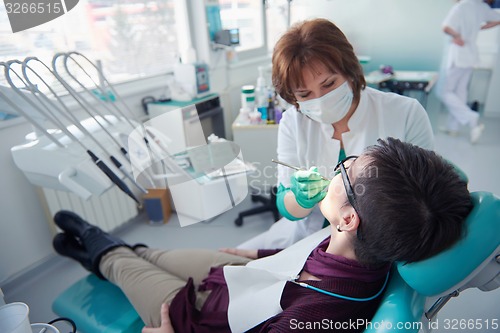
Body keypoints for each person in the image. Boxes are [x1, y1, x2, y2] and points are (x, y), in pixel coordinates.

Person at [52, 138, 472, 333]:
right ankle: (110, 252)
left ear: (348, 220)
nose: (338, 167)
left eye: (346, 170)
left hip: (202, 318)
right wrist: (261, 254)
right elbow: (311, 258)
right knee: (154, 254)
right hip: (254, 276)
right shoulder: (363, 246)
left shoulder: (314, 321)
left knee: (124, 265)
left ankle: (95, 248)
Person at [238, 18, 434, 250]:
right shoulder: (293, 121)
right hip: (304, 239)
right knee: (228, 265)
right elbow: (285, 205)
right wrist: (300, 198)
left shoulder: (405, 113)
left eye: (329, 84)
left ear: (349, 71)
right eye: (304, 94)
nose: (319, 99)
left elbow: (427, 197)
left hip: (380, 243)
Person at [439, 0, 500, 143]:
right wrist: (479, 28)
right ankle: (453, 128)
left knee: (444, 91)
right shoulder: (481, 6)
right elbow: (498, 19)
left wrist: (457, 36)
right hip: (471, 55)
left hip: (459, 54)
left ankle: (471, 117)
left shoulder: (461, 6)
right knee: (460, 92)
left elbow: (445, 27)